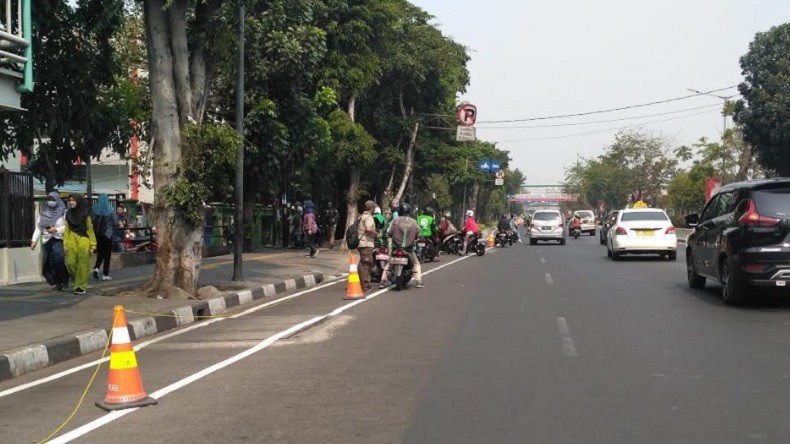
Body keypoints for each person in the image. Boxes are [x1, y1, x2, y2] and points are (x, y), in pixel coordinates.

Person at [31, 191, 69, 291]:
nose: (50, 201)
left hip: (59, 239)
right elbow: (39, 227)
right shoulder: (44, 212)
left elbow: (68, 227)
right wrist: (34, 240)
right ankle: (56, 283)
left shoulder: (63, 212)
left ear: (57, 200)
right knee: (48, 263)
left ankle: (64, 280)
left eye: (53, 199)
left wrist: (56, 230)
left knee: (59, 261)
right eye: (49, 199)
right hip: (47, 240)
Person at [380, 203, 423, 289]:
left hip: (396, 248)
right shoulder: (414, 222)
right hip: (408, 250)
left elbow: (389, 233)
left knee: (388, 265)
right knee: (416, 264)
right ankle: (418, 282)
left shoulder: (396, 221)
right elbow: (418, 234)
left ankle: (382, 282)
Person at [64, 195, 97, 295]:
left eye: (73, 200)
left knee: (83, 264)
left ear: (78, 202)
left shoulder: (85, 214)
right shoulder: (68, 214)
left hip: (84, 239)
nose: (71, 202)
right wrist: (65, 244)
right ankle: (77, 280)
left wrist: (93, 244)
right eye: (70, 201)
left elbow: (90, 230)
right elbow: (66, 229)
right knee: (70, 263)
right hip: (71, 239)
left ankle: (81, 286)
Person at [92, 194, 116, 280]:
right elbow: (115, 221)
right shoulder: (110, 209)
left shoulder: (94, 209)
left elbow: (92, 220)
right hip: (107, 234)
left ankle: (96, 268)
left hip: (98, 234)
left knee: (100, 252)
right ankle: (105, 274)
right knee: (107, 255)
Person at [357, 200, 379, 291]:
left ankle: (359, 283)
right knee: (367, 265)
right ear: (372, 208)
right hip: (366, 243)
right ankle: (365, 286)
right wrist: (377, 234)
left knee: (362, 264)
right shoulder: (368, 217)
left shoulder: (361, 216)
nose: (375, 209)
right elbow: (369, 229)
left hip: (361, 243)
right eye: (374, 207)